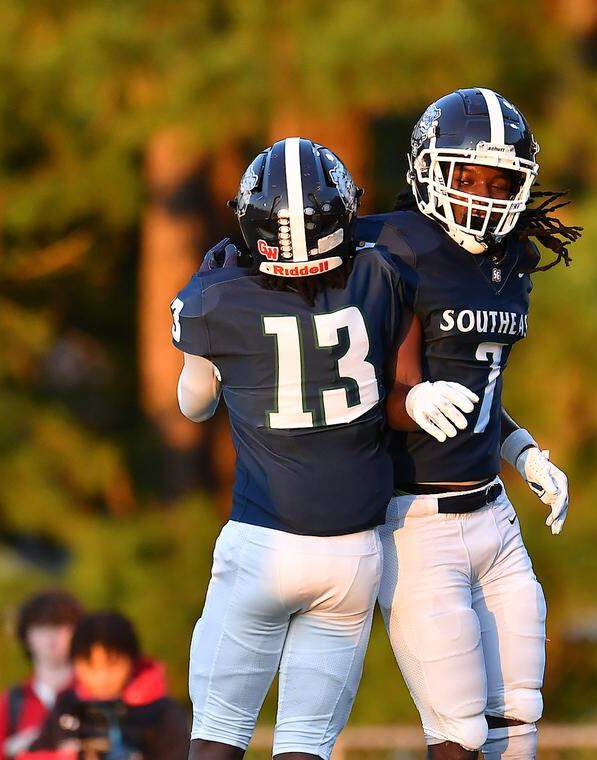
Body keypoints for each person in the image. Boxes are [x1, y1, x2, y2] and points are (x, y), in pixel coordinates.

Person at [171, 137, 437, 760]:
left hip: (262, 543)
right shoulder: (378, 274)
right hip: (352, 552)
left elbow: (194, 406)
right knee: (304, 745)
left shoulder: (217, 296)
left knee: (217, 734)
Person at [357, 87, 583, 760]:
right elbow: (348, 381)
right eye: (467, 176)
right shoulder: (390, 247)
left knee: (519, 722)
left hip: (495, 518)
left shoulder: (510, 259)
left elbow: (480, 384)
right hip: (417, 522)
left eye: (500, 180)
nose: (483, 194)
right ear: (428, 168)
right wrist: (408, 399)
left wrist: (523, 451)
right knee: (457, 733)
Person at [25, 611, 189, 759]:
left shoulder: (161, 714)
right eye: (89, 665)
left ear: (132, 661)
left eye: (113, 664)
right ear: (74, 664)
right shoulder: (66, 709)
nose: (101, 677)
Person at [0, 590, 83, 759]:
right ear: (26, 636)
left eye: (61, 626)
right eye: (41, 626)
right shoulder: (12, 703)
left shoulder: (92, 695)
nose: (51, 636)